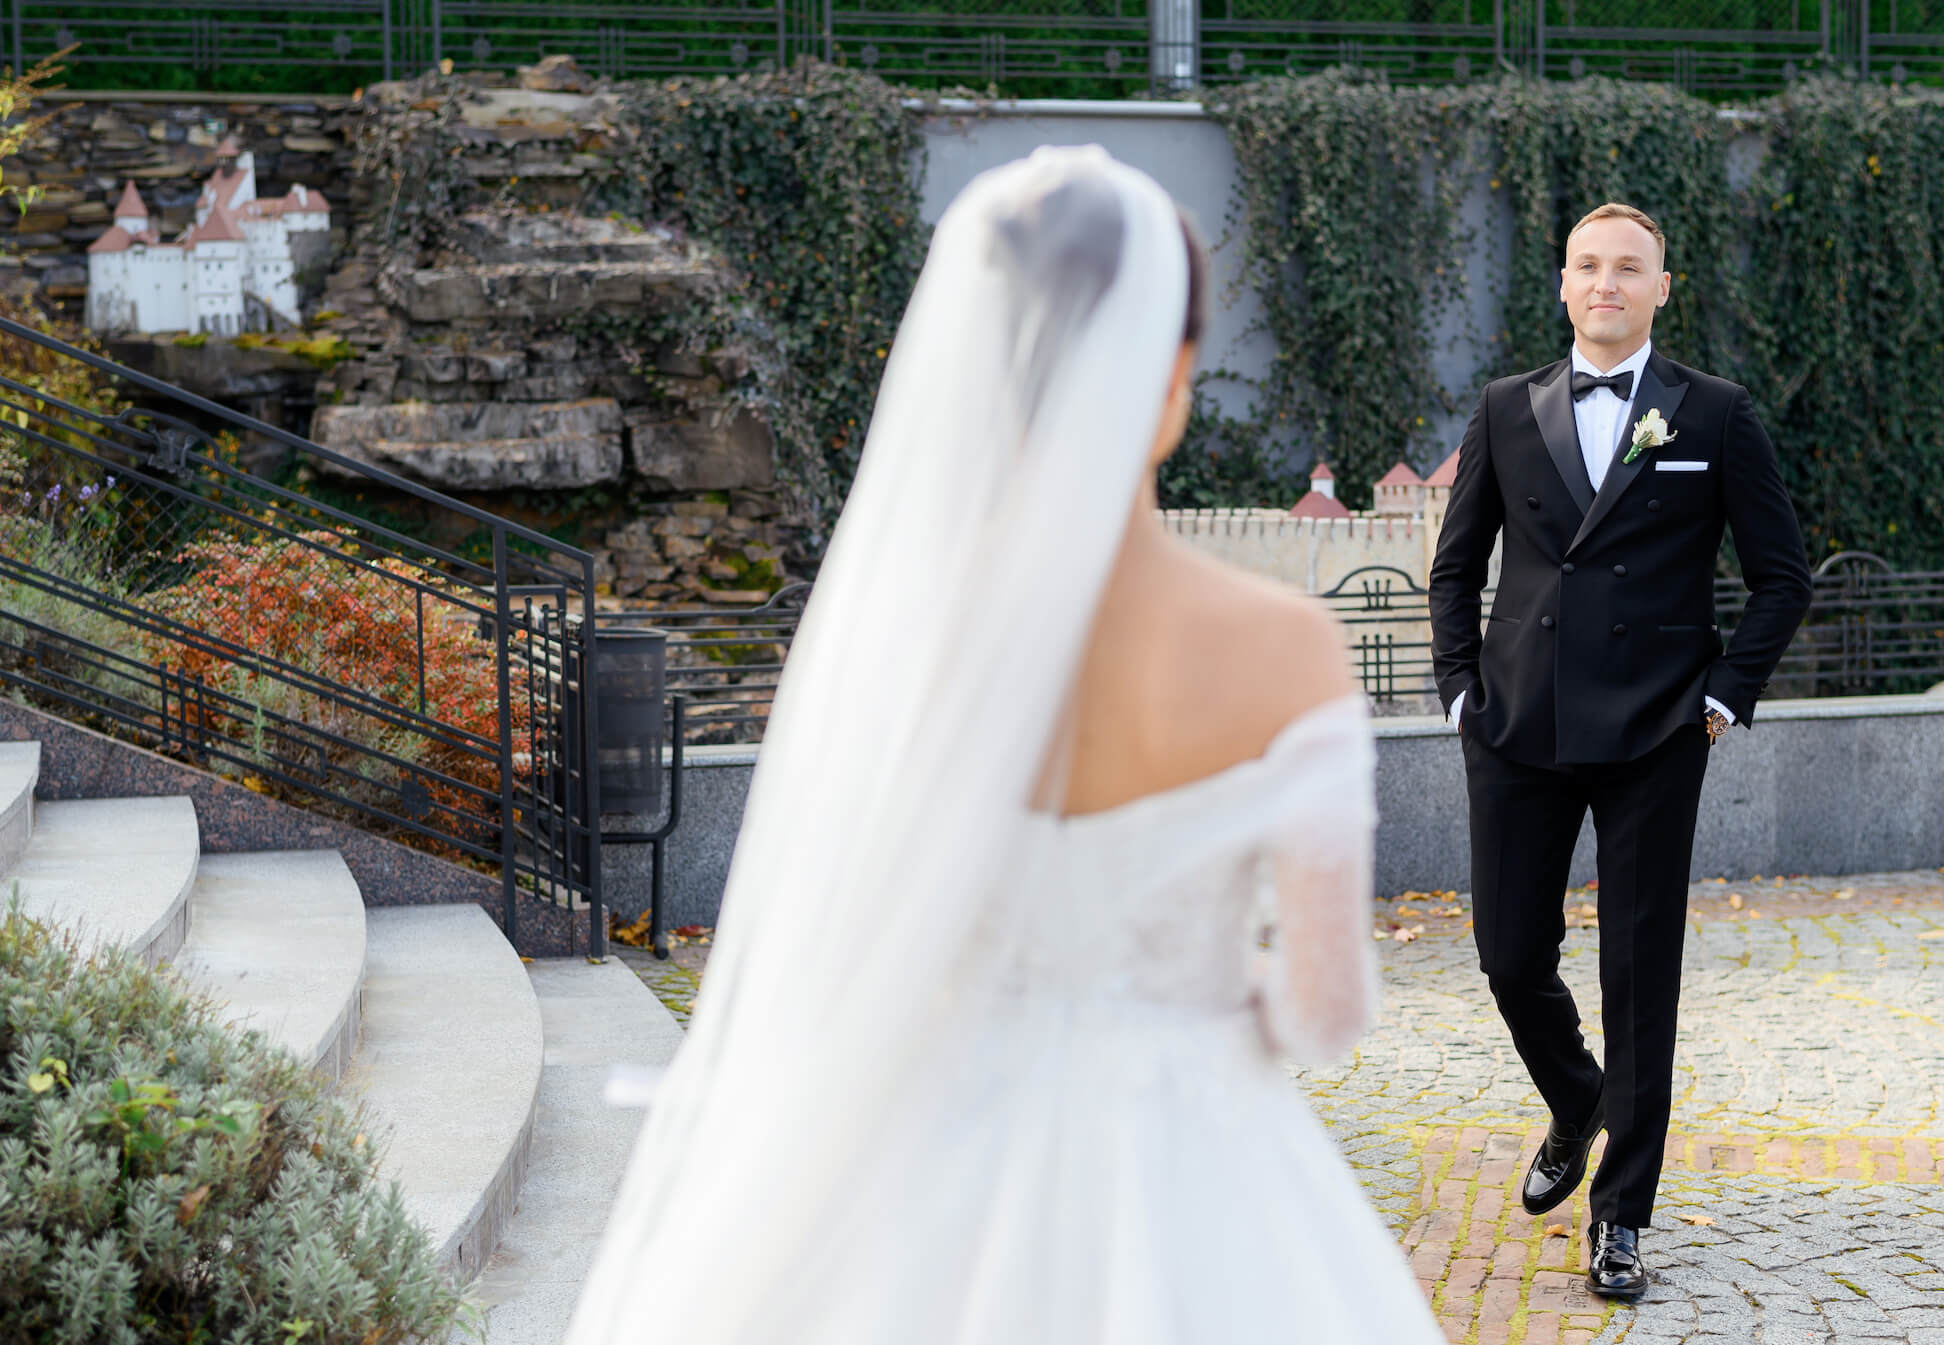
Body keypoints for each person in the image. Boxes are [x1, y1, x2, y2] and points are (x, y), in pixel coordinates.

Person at [564, 147, 1445, 1344]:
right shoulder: (1283, 649)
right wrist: (1196, 992)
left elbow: (840, 941)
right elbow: (1325, 1009)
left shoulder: (897, 644)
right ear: (1171, 368)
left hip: (930, 1170)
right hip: (1197, 1160)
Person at [1428, 202, 1812, 1298]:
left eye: (1626, 267)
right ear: (1562, 285)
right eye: (1587, 266)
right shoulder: (1505, 408)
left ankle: (1620, 1217)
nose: (1605, 282)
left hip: (1654, 730)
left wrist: (1723, 699)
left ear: (1659, 285)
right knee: (1508, 955)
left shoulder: (1716, 414)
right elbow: (1456, 569)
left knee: (1639, 979)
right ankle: (1575, 1098)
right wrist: (1460, 691)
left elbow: (1780, 575)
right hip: (1515, 726)